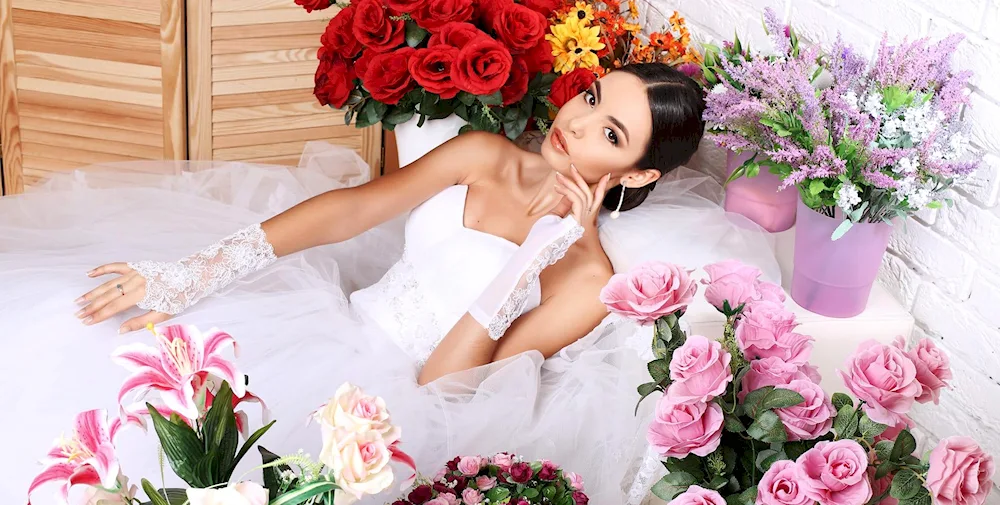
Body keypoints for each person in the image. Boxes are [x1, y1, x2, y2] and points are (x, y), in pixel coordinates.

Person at [1, 63, 779, 505]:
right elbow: (350, 211)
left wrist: (532, 257)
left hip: (387, 411)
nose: (576, 124)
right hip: (326, 321)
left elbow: (446, 382)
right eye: (590, 98)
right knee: (103, 364)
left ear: (638, 172)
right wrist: (190, 273)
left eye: (611, 133)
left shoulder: (586, 278)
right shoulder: (485, 154)